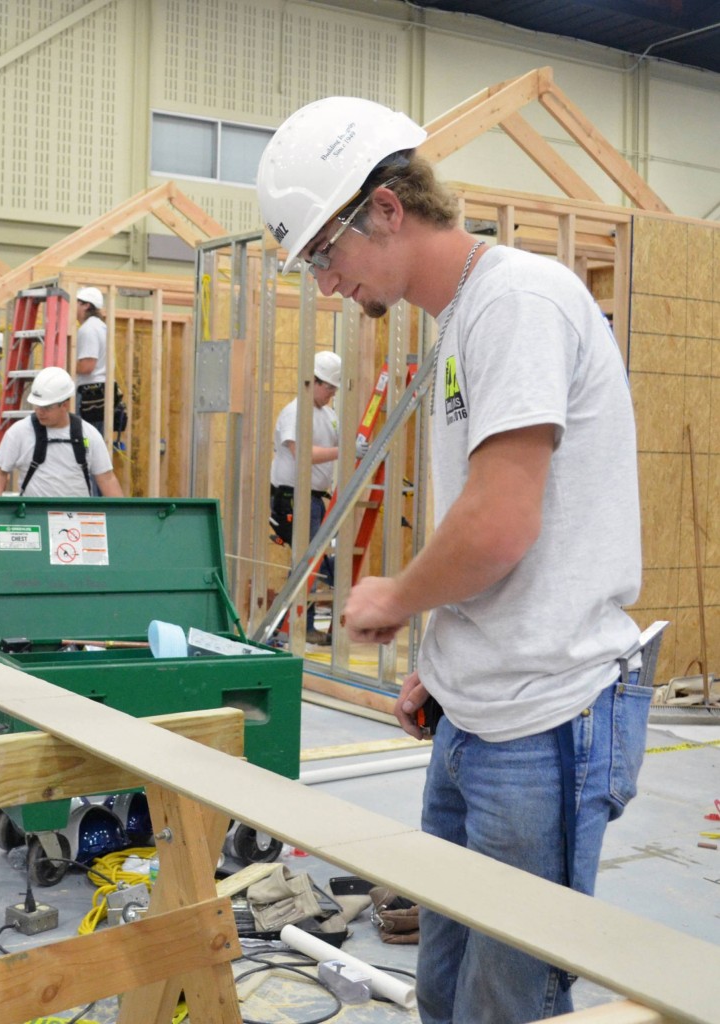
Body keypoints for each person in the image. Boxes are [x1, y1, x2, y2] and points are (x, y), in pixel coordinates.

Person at [257, 97, 645, 1023]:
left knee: (506, 1004)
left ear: (387, 208)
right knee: (445, 992)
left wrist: (395, 594)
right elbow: (498, 532)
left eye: (324, 252)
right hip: (482, 714)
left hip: (546, 720)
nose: (326, 285)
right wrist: (441, 663)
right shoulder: (465, 322)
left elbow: (500, 525)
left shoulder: (516, 300)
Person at [269, 352, 346, 646]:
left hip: (316, 499)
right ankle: (296, 626)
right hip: (292, 497)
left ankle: (296, 624)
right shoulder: (295, 412)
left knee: (314, 562)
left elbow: (339, 443)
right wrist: (345, 450)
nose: (332, 394)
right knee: (309, 562)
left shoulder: (330, 415)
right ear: (314, 381)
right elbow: (301, 453)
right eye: (329, 388)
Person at [0, 366, 122, 498]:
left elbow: (106, 479)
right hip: (34, 515)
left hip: (77, 517)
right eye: (37, 405)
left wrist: (123, 516)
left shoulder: (89, 434)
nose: (40, 411)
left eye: (46, 407)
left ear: (65, 405)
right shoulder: (19, 432)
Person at [73, 286, 126, 437]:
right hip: (101, 393)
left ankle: (87, 460)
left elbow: (87, 366)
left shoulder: (88, 329)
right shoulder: (101, 327)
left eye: (76, 302)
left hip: (91, 394)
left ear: (86, 305)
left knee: (85, 438)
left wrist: (65, 364)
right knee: (95, 437)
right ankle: (92, 459)